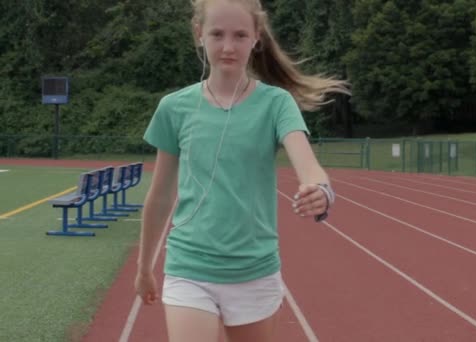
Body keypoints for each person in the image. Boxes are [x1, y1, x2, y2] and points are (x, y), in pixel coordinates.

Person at [135, 0, 349, 340]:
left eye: (239, 35)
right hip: (189, 268)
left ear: (256, 37)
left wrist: (321, 190)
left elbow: (308, 166)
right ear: (198, 34)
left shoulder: (276, 103)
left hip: (254, 271)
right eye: (217, 34)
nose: (228, 46)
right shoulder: (173, 108)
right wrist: (144, 267)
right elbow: (160, 195)